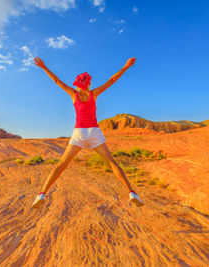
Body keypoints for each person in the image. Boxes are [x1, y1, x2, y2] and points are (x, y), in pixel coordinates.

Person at [31, 56, 144, 209]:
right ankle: (132, 193)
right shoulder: (94, 94)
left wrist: (44, 67)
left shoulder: (73, 95)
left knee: (62, 164)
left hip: (79, 132)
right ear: (88, 84)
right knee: (111, 163)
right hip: (94, 132)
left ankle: (41, 194)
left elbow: (57, 81)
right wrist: (125, 67)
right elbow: (111, 80)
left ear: (77, 85)